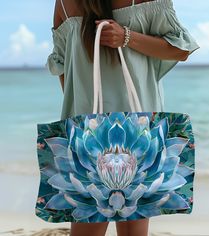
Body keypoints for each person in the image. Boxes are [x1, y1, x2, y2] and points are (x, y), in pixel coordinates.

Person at [45, 0, 200, 235]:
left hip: (89, 129)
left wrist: (126, 37)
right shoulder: (65, 3)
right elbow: (63, 64)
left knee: (93, 225)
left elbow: (181, 49)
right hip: (137, 128)